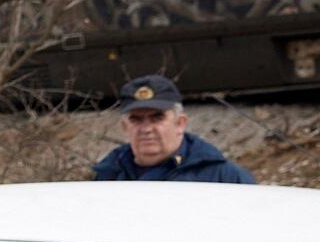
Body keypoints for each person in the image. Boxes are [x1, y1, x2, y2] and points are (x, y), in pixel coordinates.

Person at [90, 76, 255, 183]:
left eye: (157, 118)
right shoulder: (108, 177)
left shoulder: (223, 178)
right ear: (125, 127)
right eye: (136, 119)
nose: (146, 129)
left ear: (180, 123)